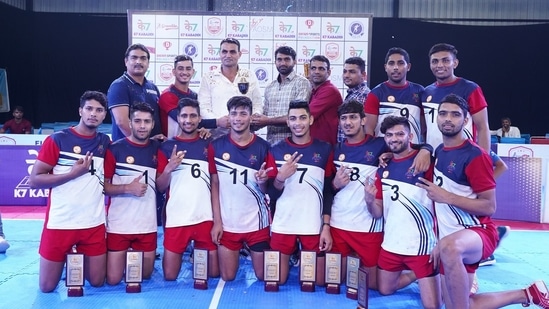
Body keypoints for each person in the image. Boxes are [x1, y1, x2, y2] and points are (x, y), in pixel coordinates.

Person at [417, 93, 548, 309]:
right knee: (460, 304)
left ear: (466, 119)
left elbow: (489, 206)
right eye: (443, 113)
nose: (448, 118)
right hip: (451, 240)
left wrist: (446, 196)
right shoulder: (440, 150)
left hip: (476, 233)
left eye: (455, 114)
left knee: (449, 248)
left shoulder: (475, 154)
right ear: (436, 118)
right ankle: (527, 294)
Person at [29, 90, 111, 293]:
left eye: (99, 110)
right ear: (80, 111)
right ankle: (68, 257)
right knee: (47, 287)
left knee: (97, 281)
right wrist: (73, 173)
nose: (94, 113)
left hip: (93, 223)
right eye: (89, 108)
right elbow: (35, 180)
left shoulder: (104, 142)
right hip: (61, 222)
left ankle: (74, 258)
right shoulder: (58, 139)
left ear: (104, 115)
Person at [365, 116, 441, 309]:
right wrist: (369, 200)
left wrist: (425, 148)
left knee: (433, 306)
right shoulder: (383, 169)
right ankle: (416, 274)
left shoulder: (426, 163)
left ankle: (430, 272)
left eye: (400, 133)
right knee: (385, 290)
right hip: (391, 245)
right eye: (389, 135)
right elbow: (377, 213)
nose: (394, 139)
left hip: (422, 247)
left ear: (411, 135)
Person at [209, 96, 277, 281]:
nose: (238, 118)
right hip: (228, 222)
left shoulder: (264, 147)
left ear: (250, 117)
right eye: (234, 114)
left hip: (257, 223)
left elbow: (267, 190)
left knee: (265, 277)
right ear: (228, 117)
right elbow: (214, 185)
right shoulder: (215, 146)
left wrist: (263, 181)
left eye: (243, 113)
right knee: (228, 277)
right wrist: (217, 221)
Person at [268, 100, 335, 285]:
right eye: (293, 119)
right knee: (275, 282)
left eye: (302, 118)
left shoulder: (325, 149)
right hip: (284, 224)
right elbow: (272, 195)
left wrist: (326, 226)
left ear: (311, 120)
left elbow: (328, 191)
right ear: (288, 122)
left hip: (312, 225)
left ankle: (298, 259)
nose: (298, 123)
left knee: (317, 282)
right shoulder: (276, 150)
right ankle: (291, 259)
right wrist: (280, 177)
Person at [156, 98, 220, 280]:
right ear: (178, 117)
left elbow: (215, 183)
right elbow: (160, 187)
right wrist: (169, 168)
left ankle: (196, 255)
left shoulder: (209, 145)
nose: (188, 120)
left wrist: (217, 220)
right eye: (184, 116)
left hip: (204, 218)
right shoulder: (167, 147)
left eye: (193, 116)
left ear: (199, 119)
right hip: (178, 219)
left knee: (213, 273)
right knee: (169, 275)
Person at [103, 102, 161, 285]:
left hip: (147, 225)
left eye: (146, 121)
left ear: (153, 124)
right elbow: (103, 187)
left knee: (144, 275)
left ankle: (130, 256)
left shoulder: (158, 148)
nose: (142, 126)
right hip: (119, 225)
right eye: (137, 121)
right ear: (130, 122)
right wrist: (128, 188)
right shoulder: (115, 149)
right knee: (113, 279)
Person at [422, 43, 490, 152]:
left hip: (463, 157)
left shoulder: (470, 88)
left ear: (455, 63)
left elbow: (483, 128)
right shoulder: (426, 92)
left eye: (445, 60)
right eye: (435, 61)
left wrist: (484, 159)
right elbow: (425, 130)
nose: (439, 65)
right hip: (434, 157)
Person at [198, 38, 262, 138]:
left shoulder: (249, 75)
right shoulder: (208, 77)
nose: (228, 55)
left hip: (244, 135)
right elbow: (203, 107)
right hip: (216, 136)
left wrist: (252, 118)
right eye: (224, 51)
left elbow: (257, 103)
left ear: (239, 54)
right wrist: (219, 121)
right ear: (219, 53)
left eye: (232, 52)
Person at [251, 46, 311, 145]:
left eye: (287, 59)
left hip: (294, 145)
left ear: (294, 61)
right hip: (271, 145)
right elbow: (264, 116)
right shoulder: (270, 87)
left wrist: (268, 121)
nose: (283, 63)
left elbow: (298, 117)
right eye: (279, 59)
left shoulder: (302, 83)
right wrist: (251, 121)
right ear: (275, 62)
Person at [158, 55, 229, 139]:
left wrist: (203, 129)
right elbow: (185, 121)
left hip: (192, 143)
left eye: (188, 69)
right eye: (180, 68)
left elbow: (196, 122)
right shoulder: (167, 95)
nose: (184, 72)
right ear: (174, 72)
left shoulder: (194, 95)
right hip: (170, 145)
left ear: (193, 72)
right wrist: (217, 122)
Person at [364, 47, 425, 144]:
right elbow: (368, 130)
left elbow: (424, 127)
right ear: (385, 67)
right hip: (384, 153)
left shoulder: (419, 91)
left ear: (408, 67)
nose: (395, 67)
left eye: (400, 63)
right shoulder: (376, 93)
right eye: (391, 63)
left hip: (412, 153)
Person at [108, 43, 165, 142]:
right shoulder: (119, 86)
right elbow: (121, 121)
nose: (138, 62)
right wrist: (143, 142)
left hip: (151, 148)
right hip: (127, 149)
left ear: (148, 63)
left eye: (143, 58)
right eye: (134, 58)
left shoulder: (153, 87)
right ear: (126, 61)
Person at [308, 55, 343, 145]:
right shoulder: (313, 90)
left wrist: (269, 121)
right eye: (313, 68)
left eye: (321, 69)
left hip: (324, 147)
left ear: (329, 72)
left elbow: (305, 116)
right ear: (309, 71)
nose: (316, 72)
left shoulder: (330, 90)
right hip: (314, 145)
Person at [338, 56, 370, 142]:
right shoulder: (353, 94)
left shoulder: (364, 95)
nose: (347, 75)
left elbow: (366, 130)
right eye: (345, 72)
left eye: (352, 72)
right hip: (346, 147)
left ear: (363, 75)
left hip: (355, 149)